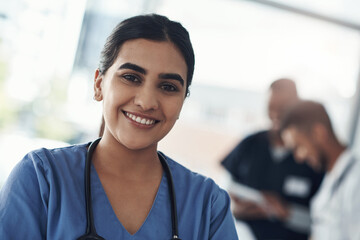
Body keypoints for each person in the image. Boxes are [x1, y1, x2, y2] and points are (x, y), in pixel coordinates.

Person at [0, 14, 238, 239]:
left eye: (168, 87)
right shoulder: (42, 178)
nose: (146, 102)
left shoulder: (208, 207)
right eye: (131, 77)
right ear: (99, 84)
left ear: (183, 101)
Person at [221, 79, 323, 240]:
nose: (275, 114)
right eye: (270, 108)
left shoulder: (311, 157)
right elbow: (226, 190)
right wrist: (236, 210)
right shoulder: (251, 143)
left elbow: (323, 221)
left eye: (282, 108)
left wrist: (286, 212)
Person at [280, 100, 360, 240]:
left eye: (299, 146)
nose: (299, 157)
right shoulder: (332, 175)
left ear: (318, 133)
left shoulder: (356, 180)